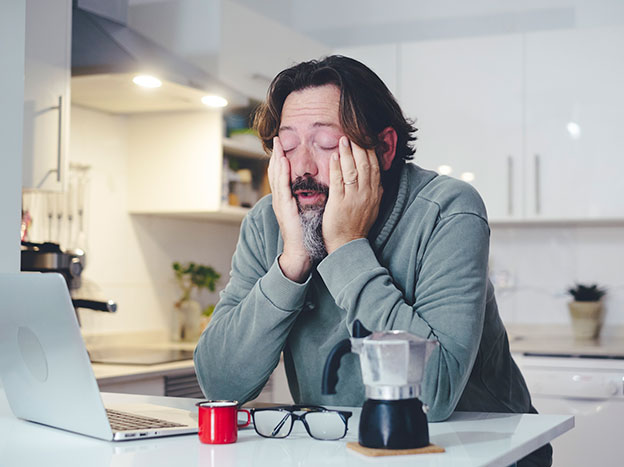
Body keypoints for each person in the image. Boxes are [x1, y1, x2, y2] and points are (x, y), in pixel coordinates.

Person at [194, 55, 551, 466]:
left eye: (326, 144)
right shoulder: (270, 220)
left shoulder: (447, 210)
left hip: (483, 452)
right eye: (288, 146)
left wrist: (345, 245)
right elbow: (219, 385)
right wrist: (292, 261)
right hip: (351, 452)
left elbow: (432, 396)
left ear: (383, 148)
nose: (302, 168)